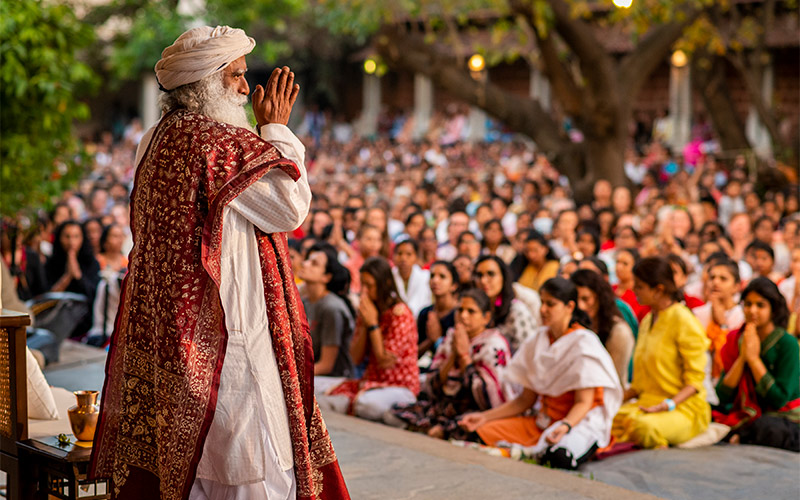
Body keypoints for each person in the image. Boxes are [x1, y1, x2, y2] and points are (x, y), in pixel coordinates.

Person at [90, 26, 348, 500]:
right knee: (248, 470)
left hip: (174, 347)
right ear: (207, 81)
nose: (248, 90)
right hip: (230, 345)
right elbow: (288, 209)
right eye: (236, 76)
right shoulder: (217, 143)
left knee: (192, 475)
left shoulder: (154, 138)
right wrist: (276, 130)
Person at [459, 278, 622, 470]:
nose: (543, 309)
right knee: (479, 432)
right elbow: (525, 400)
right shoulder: (538, 339)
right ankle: (527, 450)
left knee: (559, 457)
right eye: (542, 302)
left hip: (576, 422)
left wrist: (565, 426)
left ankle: (531, 450)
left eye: (550, 304)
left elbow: (584, 403)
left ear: (570, 306)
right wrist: (485, 417)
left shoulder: (584, 342)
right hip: (541, 423)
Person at [612, 257, 710, 449]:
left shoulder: (684, 320)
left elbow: (694, 383)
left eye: (640, 287)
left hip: (683, 408)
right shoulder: (648, 319)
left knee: (644, 427)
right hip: (646, 403)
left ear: (658, 290)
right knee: (603, 419)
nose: (634, 291)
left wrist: (667, 405)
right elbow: (639, 384)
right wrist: (609, 401)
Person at [390, 288, 512, 440]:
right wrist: (453, 354)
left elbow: (488, 398)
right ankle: (436, 429)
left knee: (468, 427)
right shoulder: (451, 336)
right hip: (443, 407)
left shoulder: (493, 345)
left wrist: (464, 356)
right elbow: (431, 385)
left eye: (471, 311)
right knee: (392, 413)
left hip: (472, 411)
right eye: (460, 310)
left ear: (486, 317)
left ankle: (440, 431)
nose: (463, 316)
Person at [318, 256, 420, 420]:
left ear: (385, 284)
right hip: (368, 382)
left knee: (366, 405)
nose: (364, 291)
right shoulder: (368, 308)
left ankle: (340, 404)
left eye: (370, 286)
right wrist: (365, 324)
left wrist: (373, 325)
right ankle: (338, 403)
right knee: (314, 386)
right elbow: (356, 358)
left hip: (399, 387)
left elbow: (384, 360)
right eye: (363, 285)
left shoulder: (400, 313)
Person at [714, 277, 799, 451]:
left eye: (760, 305)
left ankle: (741, 436)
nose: (752, 310)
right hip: (748, 413)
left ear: (773, 310)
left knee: (768, 428)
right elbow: (722, 396)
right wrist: (743, 357)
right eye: (748, 304)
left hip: (783, 417)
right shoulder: (736, 339)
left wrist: (754, 360)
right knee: (708, 410)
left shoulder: (787, 344)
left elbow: (779, 399)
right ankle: (741, 435)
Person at [691, 258, 744, 405]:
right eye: (712, 278)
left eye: (723, 279)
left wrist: (723, 326)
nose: (715, 282)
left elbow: (732, 357)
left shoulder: (742, 317)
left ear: (736, 287)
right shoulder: (697, 314)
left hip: (728, 384)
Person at [299, 242, 355, 378]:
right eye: (307, 260)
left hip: (334, 379)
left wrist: (293, 376)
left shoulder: (331, 308)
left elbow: (326, 365)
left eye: (314, 263)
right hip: (312, 373)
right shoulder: (304, 302)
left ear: (326, 277)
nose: (305, 264)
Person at [570, 269, 634, 386]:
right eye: (576, 300)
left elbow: (614, 379)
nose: (581, 306)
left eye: (586, 299)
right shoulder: (575, 325)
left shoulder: (618, 331)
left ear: (599, 297)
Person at [45, 221, 101, 338]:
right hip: (56, 321)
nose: (71, 242)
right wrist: (68, 276)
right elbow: (48, 296)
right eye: (67, 237)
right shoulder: (51, 263)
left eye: (76, 237)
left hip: (85, 321)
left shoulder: (91, 262)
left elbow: (93, 293)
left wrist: (77, 274)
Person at [473, 255, 538, 353]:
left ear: (503, 277)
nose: (483, 281)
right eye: (479, 275)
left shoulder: (516, 311)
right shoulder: (473, 309)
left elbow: (528, 353)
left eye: (491, 274)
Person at [416, 260, 459, 362]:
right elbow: (414, 353)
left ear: (454, 285)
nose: (435, 280)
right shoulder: (425, 313)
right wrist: (430, 341)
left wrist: (437, 339)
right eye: (432, 276)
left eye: (442, 277)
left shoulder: (460, 314)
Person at [391, 238, 432, 317]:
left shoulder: (425, 277)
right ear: (394, 256)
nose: (403, 258)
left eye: (409, 254)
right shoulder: (389, 277)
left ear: (416, 257)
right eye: (399, 254)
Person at [614, 247, 649, 321]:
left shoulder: (639, 295)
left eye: (625, 264)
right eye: (617, 262)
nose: (618, 267)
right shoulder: (611, 289)